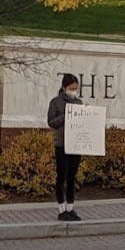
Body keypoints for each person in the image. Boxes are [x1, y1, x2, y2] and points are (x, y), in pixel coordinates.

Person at [46, 73, 85, 221]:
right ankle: (61, 208)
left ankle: (70, 208)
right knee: (62, 176)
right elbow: (51, 122)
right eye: (71, 88)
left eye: (76, 88)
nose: (74, 91)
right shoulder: (55, 102)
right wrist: (66, 115)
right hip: (62, 144)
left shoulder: (79, 103)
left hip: (76, 144)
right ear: (64, 87)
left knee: (72, 177)